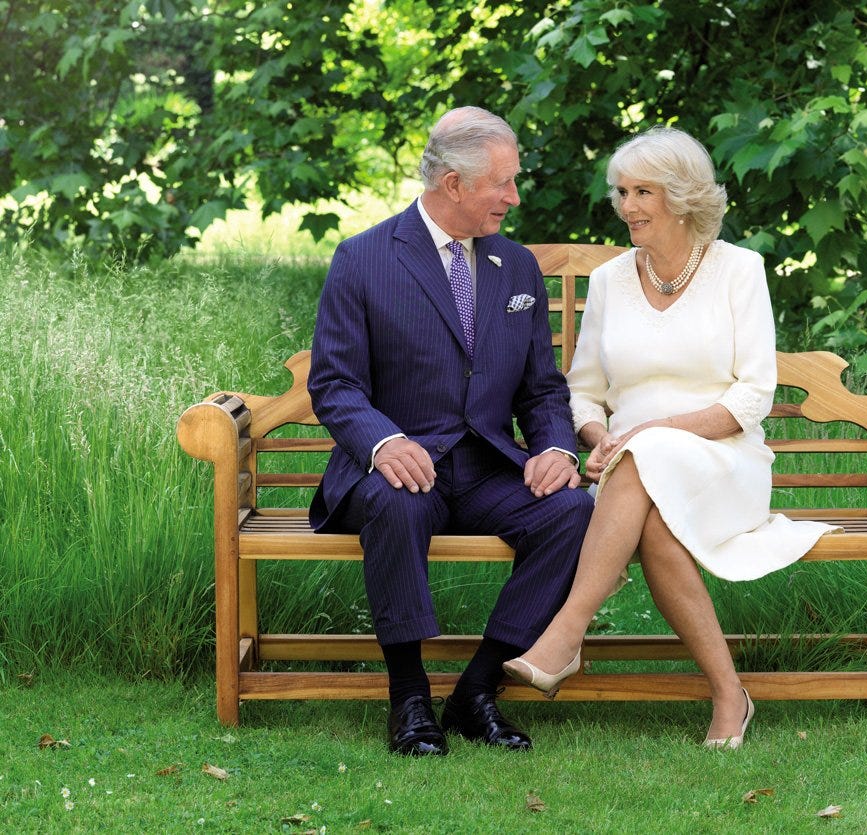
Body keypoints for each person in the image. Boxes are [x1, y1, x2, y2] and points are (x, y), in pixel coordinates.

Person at [503, 126, 838, 749]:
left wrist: (647, 432)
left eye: (643, 192)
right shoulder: (608, 282)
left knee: (647, 450)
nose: (627, 206)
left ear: (682, 197)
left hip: (724, 461)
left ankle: (567, 629)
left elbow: (752, 396)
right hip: (636, 473)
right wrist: (600, 435)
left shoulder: (739, 270)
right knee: (654, 516)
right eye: (622, 191)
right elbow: (583, 390)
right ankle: (728, 694)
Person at [308, 106, 594, 756]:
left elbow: (543, 387)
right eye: (503, 183)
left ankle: (477, 689)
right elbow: (334, 383)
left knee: (572, 511)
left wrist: (554, 445)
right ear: (454, 184)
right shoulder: (363, 259)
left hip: (486, 468)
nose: (515, 197)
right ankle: (409, 698)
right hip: (397, 468)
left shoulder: (516, 267)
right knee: (395, 500)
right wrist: (382, 441)